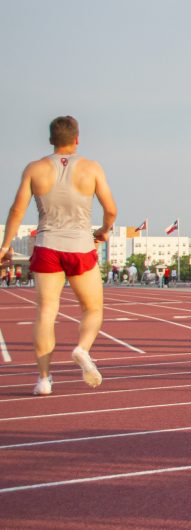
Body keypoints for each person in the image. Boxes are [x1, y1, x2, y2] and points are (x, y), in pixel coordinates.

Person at [0, 116, 116, 395]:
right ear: (77, 139)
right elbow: (110, 210)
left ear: (51, 140)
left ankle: (43, 379)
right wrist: (103, 230)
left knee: (46, 311)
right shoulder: (91, 167)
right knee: (92, 309)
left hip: (48, 245)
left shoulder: (35, 169)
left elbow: (17, 210)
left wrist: (5, 246)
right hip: (80, 246)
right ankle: (82, 348)